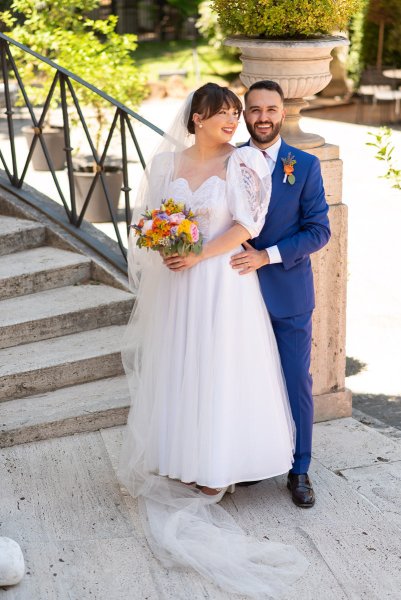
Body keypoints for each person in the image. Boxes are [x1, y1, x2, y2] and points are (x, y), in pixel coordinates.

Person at [118, 82, 308, 598]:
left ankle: (217, 466)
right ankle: (182, 454)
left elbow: (248, 225)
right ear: (196, 118)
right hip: (178, 283)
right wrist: (165, 248)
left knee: (218, 365)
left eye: (235, 112)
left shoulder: (243, 163)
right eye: (222, 113)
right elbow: (153, 218)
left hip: (221, 281)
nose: (233, 120)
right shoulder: (166, 164)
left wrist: (198, 254)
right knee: (181, 362)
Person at [231, 80, 331, 508]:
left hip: (288, 292)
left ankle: (300, 467)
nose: (263, 117)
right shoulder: (229, 159)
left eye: (271, 109)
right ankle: (256, 458)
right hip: (235, 292)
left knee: (295, 382)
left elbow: (318, 231)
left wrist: (267, 256)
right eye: (254, 110)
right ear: (244, 115)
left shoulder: (304, 165)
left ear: (283, 113)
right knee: (245, 379)